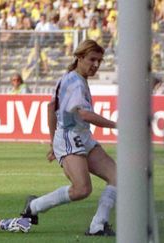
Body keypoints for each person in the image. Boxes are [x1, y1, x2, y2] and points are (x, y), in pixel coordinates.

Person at [20, 40, 117, 236]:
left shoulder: (70, 78)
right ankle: (35, 206)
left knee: (118, 177)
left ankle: (98, 225)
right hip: (70, 137)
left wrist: (52, 141)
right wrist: (118, 125)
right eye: (92, 59)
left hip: (81, 136)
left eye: (99, 61)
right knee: (82, 189)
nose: (96, 65)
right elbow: (85, 115)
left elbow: (50, 107)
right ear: (79, 57)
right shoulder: (75, 84)